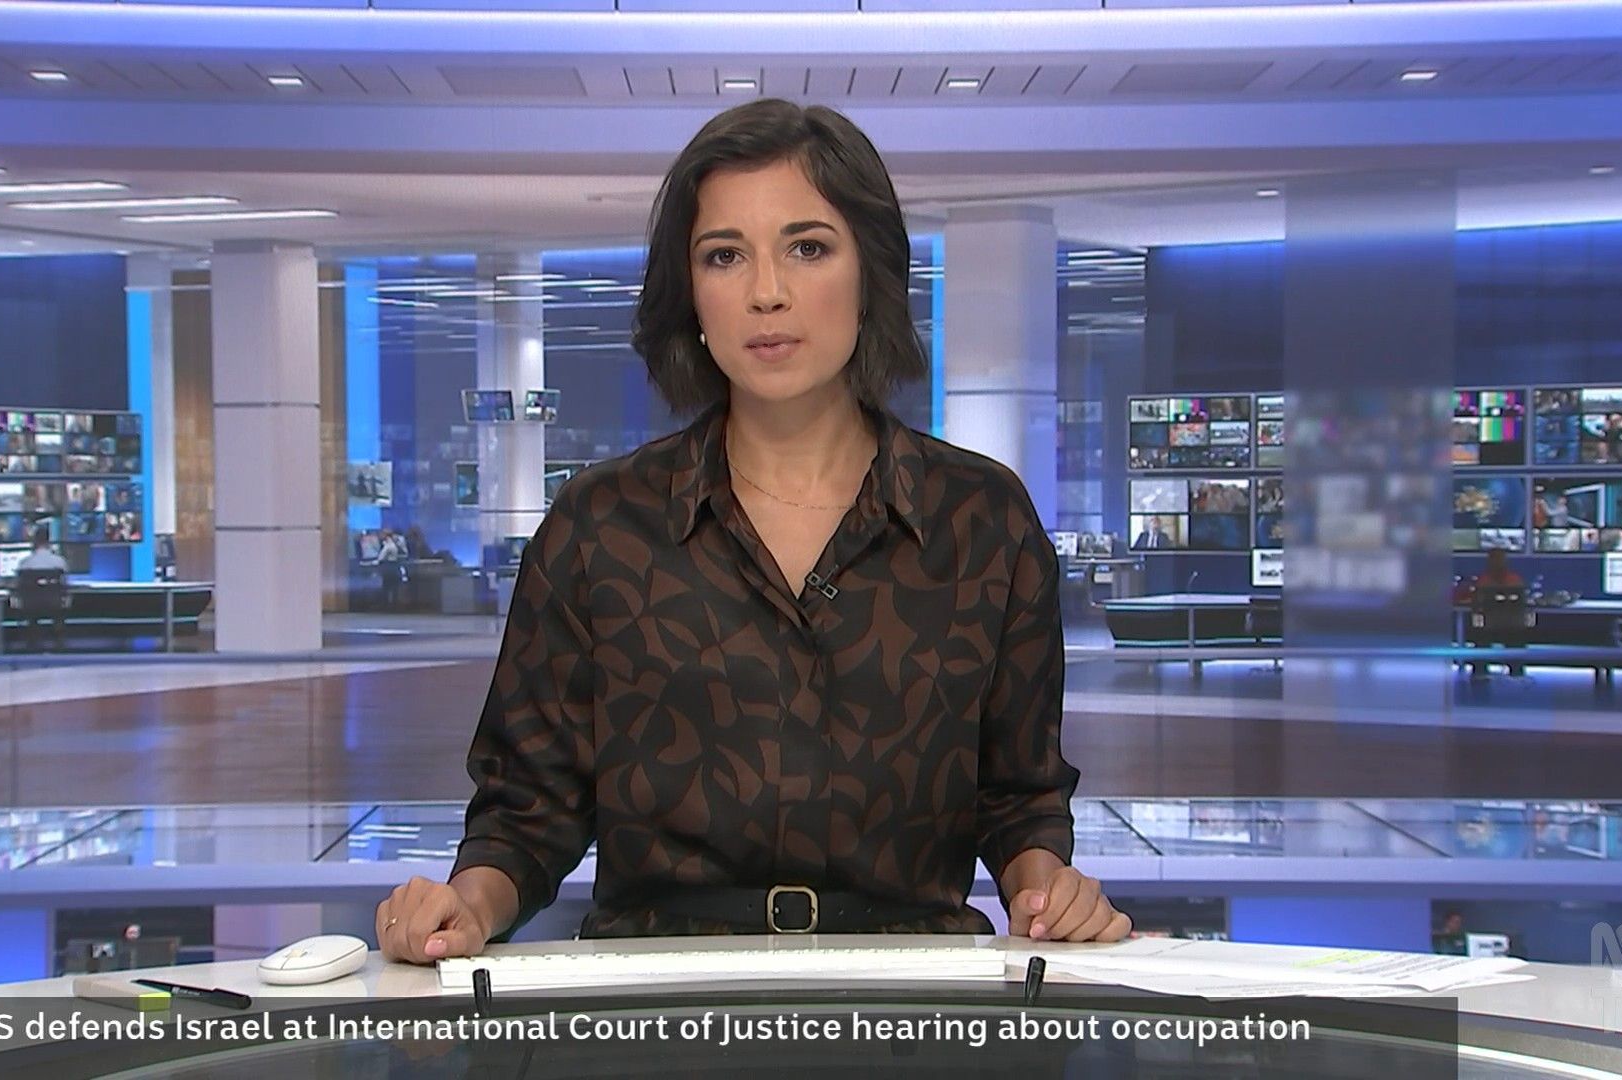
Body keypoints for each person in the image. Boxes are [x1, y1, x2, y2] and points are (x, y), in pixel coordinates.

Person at [378, 98, 1129, 962]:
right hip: (657, 993)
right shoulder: (601, 525)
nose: (767, 292)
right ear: (691, 292)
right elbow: (527, 809)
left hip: (910, 993)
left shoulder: (981, 518)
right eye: (725, 256)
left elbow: (1019, 798)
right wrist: (467, 906)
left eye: (807, 248)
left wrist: (1051, 892)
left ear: (872, 272)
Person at [1464, 547, 1526, 680]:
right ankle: (1483, 672)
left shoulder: (1511, 580)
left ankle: (1513, 672)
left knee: (1484, 635)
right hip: (1497, 626)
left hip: (1503, 625)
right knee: (1481, 636)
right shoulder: (1486, 580)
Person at [14, 528, 70, 652]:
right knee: (58, 609)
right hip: (54, 604)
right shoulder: (59, 562)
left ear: (34, 542)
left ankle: (32, 643)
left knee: (32, 610)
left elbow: (19, 586)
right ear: (49, 541)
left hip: (31, 605)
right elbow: (65, 584)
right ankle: (59, 643)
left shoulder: (25, 563)